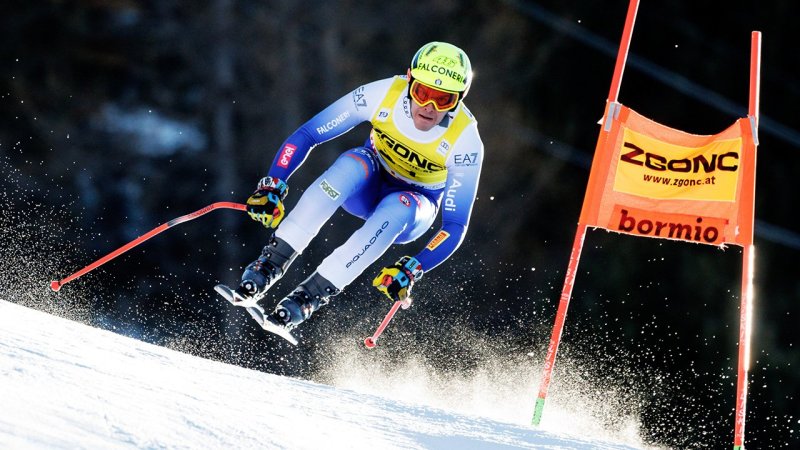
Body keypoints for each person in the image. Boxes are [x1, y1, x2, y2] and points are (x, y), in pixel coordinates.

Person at [227, 41, 484, 338]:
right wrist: (274, 183)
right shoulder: (383, 94)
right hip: (367, 182)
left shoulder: (465, 139)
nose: (429, 107)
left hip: (413, 206)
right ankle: (266, 267)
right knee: (352, 161)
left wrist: (415, 266)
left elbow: (455, 224)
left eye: (443, 99)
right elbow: (309, 133)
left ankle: (306, 299)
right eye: (423, 93)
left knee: (398, 206)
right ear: (409, 82)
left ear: (459, 100)